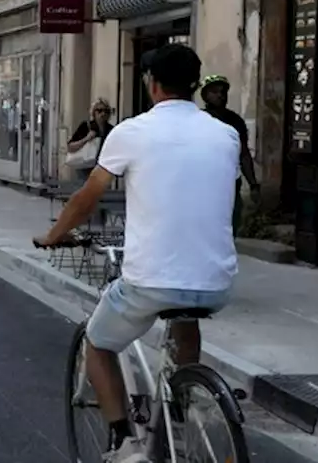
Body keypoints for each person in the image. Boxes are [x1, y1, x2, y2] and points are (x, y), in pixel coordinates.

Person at [33, 44, 239, 463]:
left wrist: (54, 235)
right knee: (185, 316)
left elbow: (88, 198)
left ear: (152, 83)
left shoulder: (132, 131)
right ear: (196, 85)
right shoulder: (226, 134)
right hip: (216, 281)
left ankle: (125, 443)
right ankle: (180, 404)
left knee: (98, 343)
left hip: (151, 279)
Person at [201, 75, 261, 234]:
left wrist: (253, 184)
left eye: (223, 92)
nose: (220, 95)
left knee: (232, 223)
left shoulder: (235, 121)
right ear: (205, 95)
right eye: (214, 92)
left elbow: (244, 154)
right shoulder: (198, 119)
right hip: (204, 183)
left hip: (230, 183)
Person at [66, 99, 115, 180]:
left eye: (106, 111)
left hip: (103, 168)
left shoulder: (111, 129)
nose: (103, 114)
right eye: (99, 110)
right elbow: (70, 147)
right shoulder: (86, 126)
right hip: (85, 166)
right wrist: (86, 139)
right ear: (93, 113)